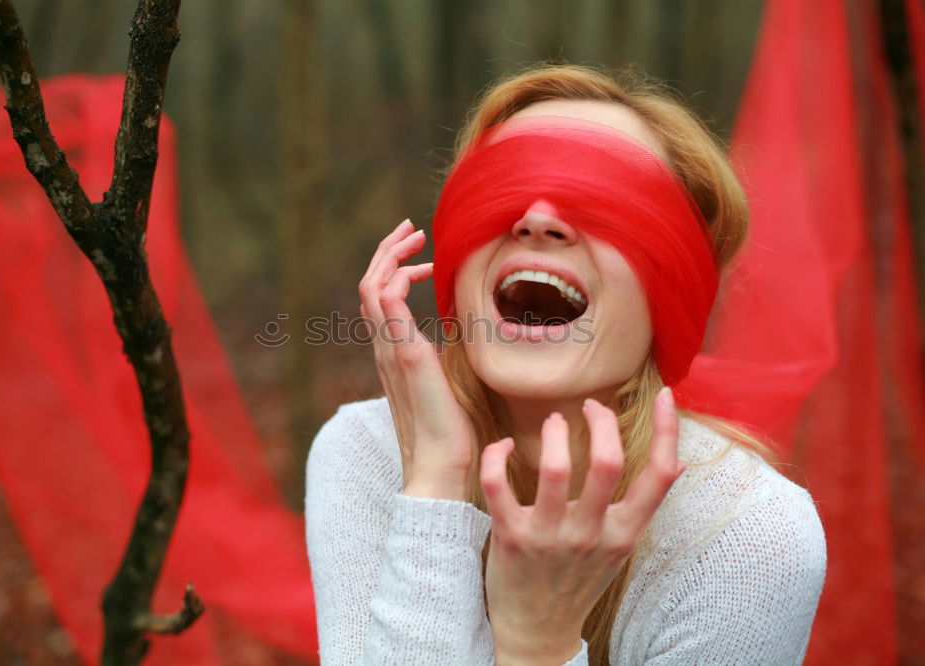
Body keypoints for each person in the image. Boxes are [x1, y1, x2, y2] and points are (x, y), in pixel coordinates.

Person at [304, 64, 827, 665]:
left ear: (672, 293)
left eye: (608, 198)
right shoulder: (366, 451)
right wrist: (434, 485)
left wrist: (538, 646)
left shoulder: (748, 534)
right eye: (503, 185)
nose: (537, 217)